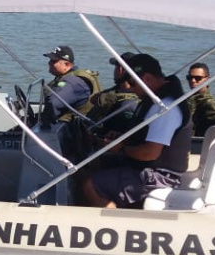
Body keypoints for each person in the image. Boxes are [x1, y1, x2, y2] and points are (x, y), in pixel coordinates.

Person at [82, 53, 193, 208]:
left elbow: (150, 153)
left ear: (146, 78)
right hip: (145, 166)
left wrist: (121, 148)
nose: (128, 87)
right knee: (92, 164)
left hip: (160, 175)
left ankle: (113, 221)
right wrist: (123, 138)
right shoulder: (153, 100)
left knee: (91, 185)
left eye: (131, 82)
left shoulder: (165, 107)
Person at [40, 45, 101, 125]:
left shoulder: (72, 82)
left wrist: (45, 122)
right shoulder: (70, 77)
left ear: (66, 64)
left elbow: (53, 103)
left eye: (53, 61)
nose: (49, 63)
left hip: (74, 127)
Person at [87, 51, 141, 136]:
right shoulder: (127, 90)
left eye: (115, 67)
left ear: (120, 70)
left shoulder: (125, 104)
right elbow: (94, 99)